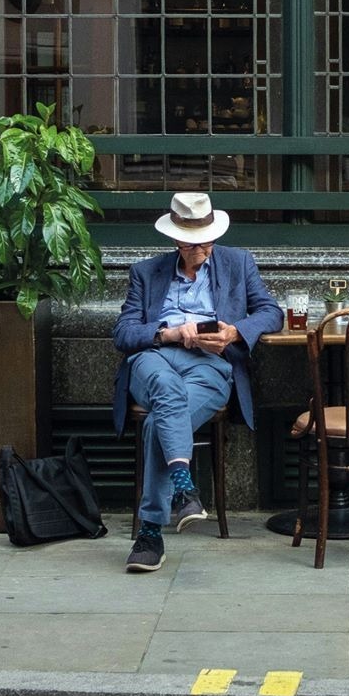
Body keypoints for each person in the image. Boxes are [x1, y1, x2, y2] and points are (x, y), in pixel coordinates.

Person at [111, 191, 282, 573]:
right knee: (166, 389)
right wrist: (168, 334)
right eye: (191, 243)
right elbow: (122, 333)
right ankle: (182, 490)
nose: (200, 248)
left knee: (159, 420)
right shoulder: (146, 272)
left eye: (206, 240)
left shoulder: (238, 263)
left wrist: (234, 332)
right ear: (175, 239)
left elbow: (272, 312)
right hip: (154, 359)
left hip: (210, 363)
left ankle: (152, 531)